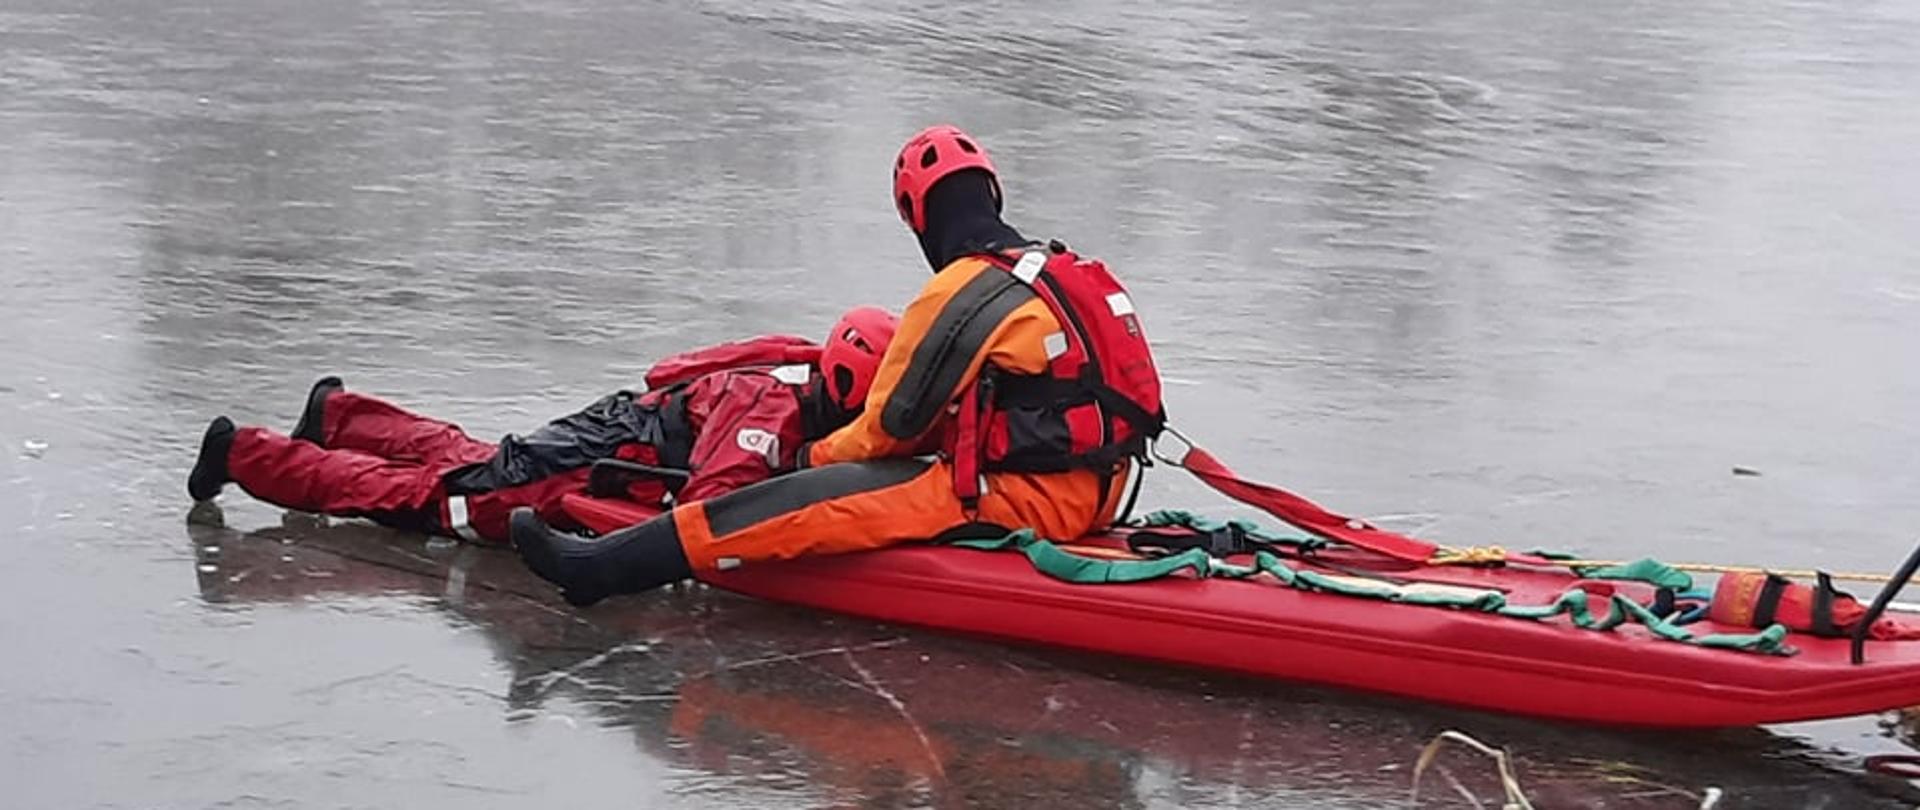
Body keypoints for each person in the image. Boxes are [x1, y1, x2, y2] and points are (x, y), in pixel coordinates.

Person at [512, 125, 1166, 605]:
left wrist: (809, 461)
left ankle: (595, 571)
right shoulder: (1068, 270)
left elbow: (891, 429)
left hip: (1033, 501)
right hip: (1108, 490)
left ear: (918, 216)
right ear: (991, 192)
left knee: (806, 500)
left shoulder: (962, 289)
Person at [184, 307, 900, 544]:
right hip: (593, 466)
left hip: (612, 431)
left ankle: (340, 416)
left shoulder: (794, 363)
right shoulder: (767, 417)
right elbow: (713, 511)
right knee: (435, 499)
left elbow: (672, 371)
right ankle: (244, 453)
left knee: (481, 459)